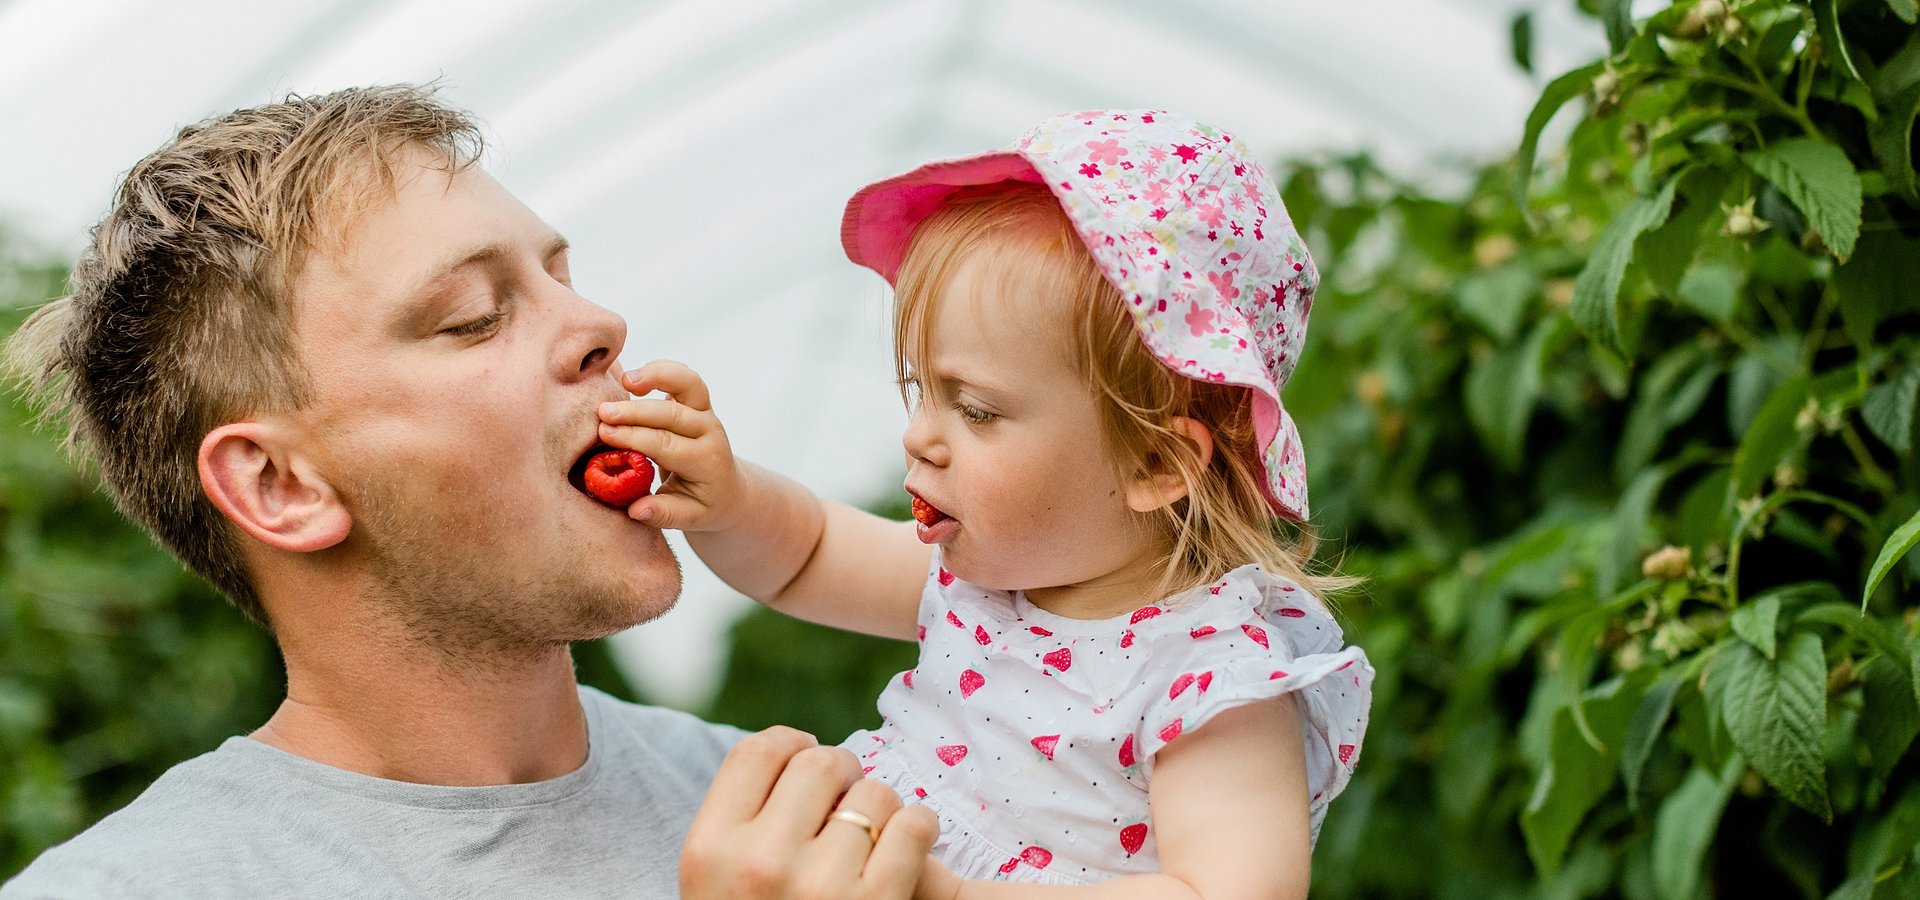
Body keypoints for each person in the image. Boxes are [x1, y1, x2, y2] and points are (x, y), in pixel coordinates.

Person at [0, 84, 934, 899]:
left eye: (561, 277)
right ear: (281, 485)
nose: (601, 325)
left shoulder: (796, 812)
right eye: (473, 318)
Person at [595, 110, 1373, 897]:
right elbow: (806, 554)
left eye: (975, 410)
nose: (920, 438)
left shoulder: (1208, 681)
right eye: (919, 392)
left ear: (1155, 462)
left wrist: (949, 892)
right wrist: (728, 498)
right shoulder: (982, 583)